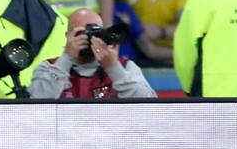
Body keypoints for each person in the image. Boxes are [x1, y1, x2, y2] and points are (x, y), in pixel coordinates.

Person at [27, 7, 156, 98]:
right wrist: (66, 59)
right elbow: (36, 103)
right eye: (81, 33)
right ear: (68, 36)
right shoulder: (50, 67)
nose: (89, 39)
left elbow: (149, 106)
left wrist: (114, 68)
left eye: (95, 32)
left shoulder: (125, 67)